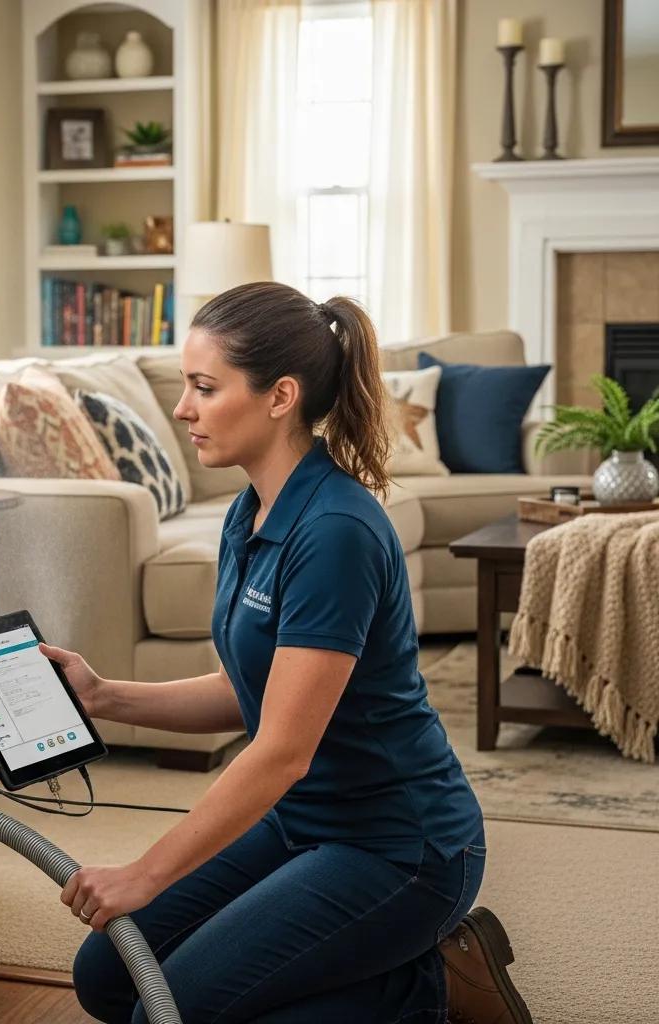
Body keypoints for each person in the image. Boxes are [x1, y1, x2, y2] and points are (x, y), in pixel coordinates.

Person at [40, 282, 533, 1024]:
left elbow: (280, 752)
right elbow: (255, 690)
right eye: (185, 387)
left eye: (205, 388)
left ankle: (427, 990)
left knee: (167, 1017)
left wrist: (144, 873)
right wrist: (104, 696)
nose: (182, 409)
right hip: (302, 825)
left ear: (280, 397)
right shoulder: (251, 510)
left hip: (400, 847)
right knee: (109, 977)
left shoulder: (336, 532)